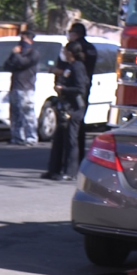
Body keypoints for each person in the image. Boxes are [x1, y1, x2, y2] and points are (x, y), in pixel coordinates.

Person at [42, 41, 89, 181]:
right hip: (65, 106)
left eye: (65, 50)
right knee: (59, 139)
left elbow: (80, 88)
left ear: (70, 53)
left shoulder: (78, 67)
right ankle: (53, 169)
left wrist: (64, 89)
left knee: (71, 140)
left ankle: (71, 171)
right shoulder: (69, 67)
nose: (63, 52)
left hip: (74, 108)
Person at [53, 22, 97, 161]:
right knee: (76, 126)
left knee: (70, 128)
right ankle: (73, 160)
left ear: (75, 33)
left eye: (70, 33)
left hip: (74, 91)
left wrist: (60, 73)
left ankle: (68, 161)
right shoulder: (89, 48)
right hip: (78, 90)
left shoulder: (77, 49)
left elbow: (73, 70)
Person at [4, 30, 40, 146]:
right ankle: (17, 137)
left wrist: (16, 54)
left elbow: (24, 63)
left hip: (26, 88)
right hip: (15, 87)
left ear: (30, 40)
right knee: (15, 114)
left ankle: (31, 137)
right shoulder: (17, 54)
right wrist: (12, 54)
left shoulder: (33, 53)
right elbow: (7, 65)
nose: (21, 43)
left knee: (28, 114)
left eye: (23, 39)